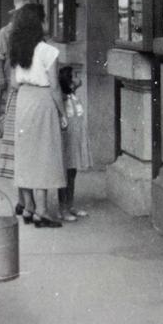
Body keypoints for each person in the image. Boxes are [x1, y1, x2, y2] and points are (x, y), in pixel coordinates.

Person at [10, 3, 66, 228]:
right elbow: (54, 87)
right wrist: (63, 114)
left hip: (23, 100)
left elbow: (14, 83)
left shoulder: (17, 49)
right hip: (42, 101)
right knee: (43, 154)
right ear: (39, 23)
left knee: (24, 154)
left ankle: (29, 206)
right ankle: (42, 211)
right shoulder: (48, 51)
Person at [0, 2, 25, 213]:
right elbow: (0, 58)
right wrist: (1, 77)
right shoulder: (5, 32)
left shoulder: (28, 34)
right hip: (11, 75)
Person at [57, 65, 92, 222]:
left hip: (76, 139)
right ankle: (62, 208)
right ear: (69, 82)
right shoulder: (63, 99)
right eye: (74, 76)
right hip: (67, 140)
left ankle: (70, 205)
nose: (79, 78)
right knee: (64, 174)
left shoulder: (73, 96)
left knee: (72, 173)